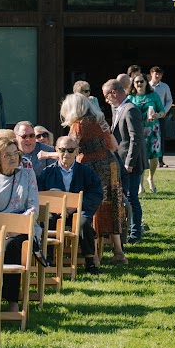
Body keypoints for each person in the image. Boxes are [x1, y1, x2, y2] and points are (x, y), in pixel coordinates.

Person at [0, 129, 39, 313]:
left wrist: (15, 228)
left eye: (15, 154)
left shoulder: (27, 174)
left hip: (22, 228)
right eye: (8, 155)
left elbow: (33, 208)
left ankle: (12, 300)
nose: (13, 158)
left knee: (11, 246)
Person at [63, 91, 126, 266]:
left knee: (93, 206)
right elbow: (114, 146)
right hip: (110, 164)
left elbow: (68, 149)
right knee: (113, 205)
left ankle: (95, 256)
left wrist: (47, 154)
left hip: (90, 166)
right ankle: (119, 252)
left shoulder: (78, 125)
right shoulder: (101, 120)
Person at [38, 133, 105, 274]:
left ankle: (90, 262)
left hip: (79, 210)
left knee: (83, 223)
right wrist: (56, 207)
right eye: (62, 150)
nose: (66, 154)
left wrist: (76, 206)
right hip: (55, 211)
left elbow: (96, 193)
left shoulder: (86, 172)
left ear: (77, 151)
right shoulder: (47, 172)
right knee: (48, 220)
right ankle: (48, 258)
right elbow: (39, 195)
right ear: (56, 150)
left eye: (70, 150)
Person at [108, 80, 145, 249]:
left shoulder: (130, 109)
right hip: (120, 161)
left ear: (114, 93)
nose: (106, 100)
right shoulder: (117, 109)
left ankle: (136, 233)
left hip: (131, 163)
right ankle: (127, 230)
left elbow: (136, 138)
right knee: (124, 197)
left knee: (131, 198)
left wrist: (129, 163)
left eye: (107, 96)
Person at [128, 74, 164, 195]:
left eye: (141, 81)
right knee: (140, 157)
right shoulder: (130, 97)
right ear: (133, 84)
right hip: (138, 130)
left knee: (154, 156)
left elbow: (162, 111)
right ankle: (141, 185)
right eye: (136, 82)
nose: (139, 84)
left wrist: (157, 115)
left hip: (153, 129)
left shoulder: (153, 95)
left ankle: (151, 178)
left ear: (146, 82)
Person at [147, 67, 175, 167]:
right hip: (148, 115)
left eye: (160, 74)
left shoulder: (164, 86)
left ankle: (160, 160)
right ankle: (147, 159)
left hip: (160, 115)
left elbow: (169, 100)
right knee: (147, 136)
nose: (158, 76)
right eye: (156, 74)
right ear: (151, 74)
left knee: (160, 137)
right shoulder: (147, 86)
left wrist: (164, 111)